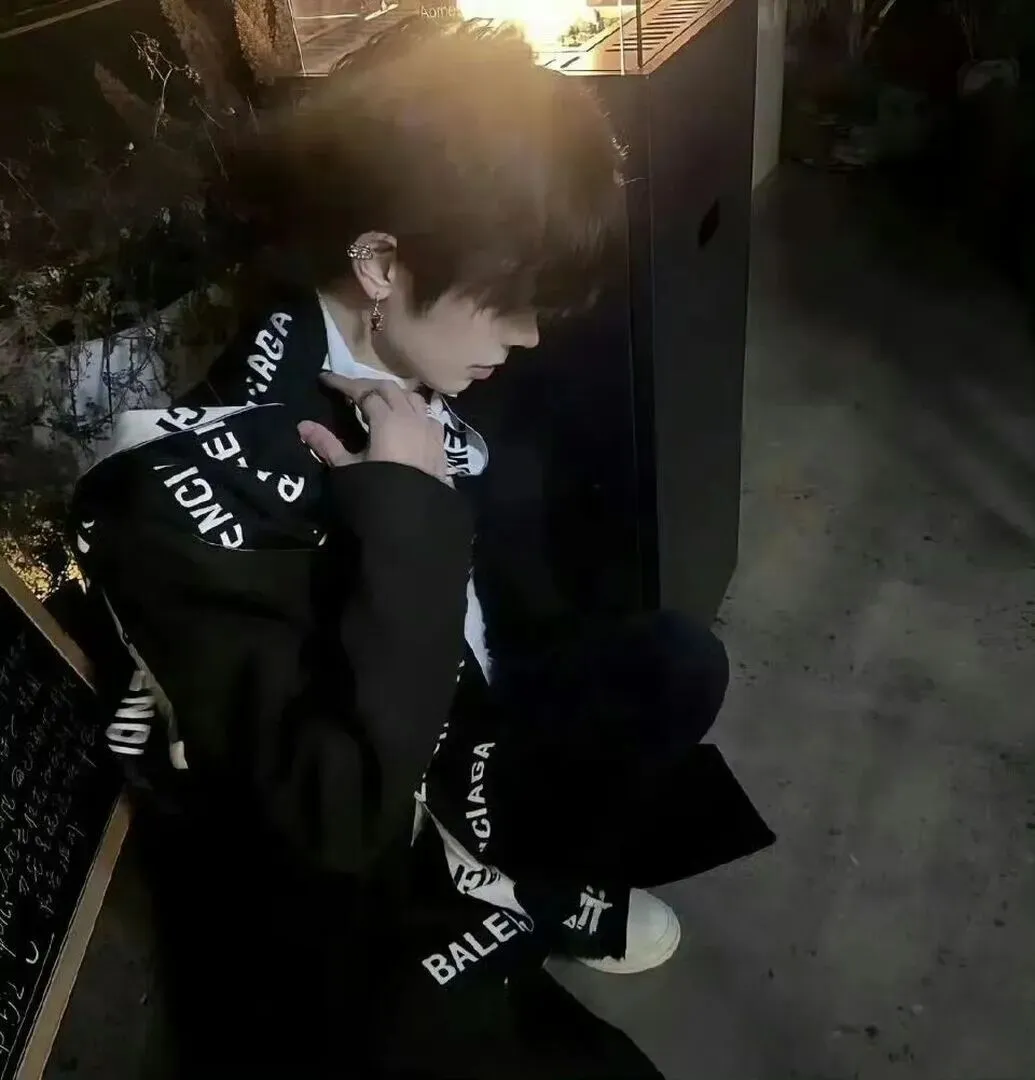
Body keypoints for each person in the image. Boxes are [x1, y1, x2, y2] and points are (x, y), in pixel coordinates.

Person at [71, 17, 773, 1079]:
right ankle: (494, 899)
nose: (529, 334)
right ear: (380, 262)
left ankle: (528, 880)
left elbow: (511, 595)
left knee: (675, 666)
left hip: (463, 710)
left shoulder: (431, 356)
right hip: (377, 798)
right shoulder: (200, 478)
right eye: (511, 301)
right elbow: (336, 811)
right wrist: (402, 507)